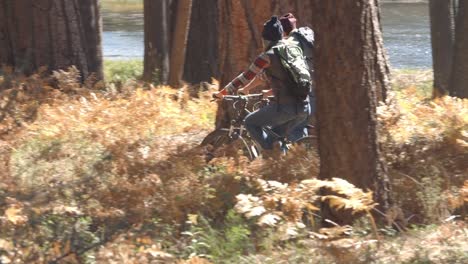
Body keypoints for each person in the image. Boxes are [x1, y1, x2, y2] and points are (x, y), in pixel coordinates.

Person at [213, 16, 309, 152]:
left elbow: (246, 76)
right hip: (305, 107)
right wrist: (251, 90)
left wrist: (223, 92)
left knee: (249, 122)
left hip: (285, 108)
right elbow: (273, 76)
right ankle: (280, 162)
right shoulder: (291, 49)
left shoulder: (267, 56)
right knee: (275, 139)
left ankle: (273, 157)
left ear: (265, 39)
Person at [279, 13, 316, 142]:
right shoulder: (308, 34)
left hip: (306, 90)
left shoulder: (289, 44)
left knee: (296, 127)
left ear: (282, 31)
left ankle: (300, 158)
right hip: (322, 84)